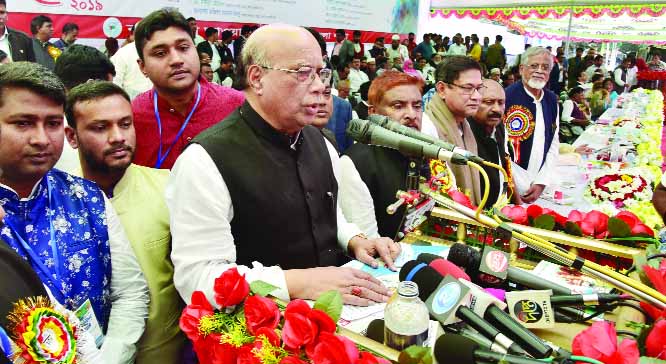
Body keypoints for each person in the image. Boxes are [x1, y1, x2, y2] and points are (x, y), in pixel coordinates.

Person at [166, 24, 398, 309]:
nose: (320, 86)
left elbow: (324, 213)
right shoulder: (205, 160)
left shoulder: (319, 141)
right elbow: (198, 279)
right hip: (260, 334)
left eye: (321, 73)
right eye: (302, 73)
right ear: (257, 77)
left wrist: (354, 240)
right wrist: (296, 283)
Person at [0, 61, 149, 364]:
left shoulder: (87, 197)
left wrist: (109, 359)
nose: (41, 138)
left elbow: (130, 294)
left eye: (52, 123)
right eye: (23, 123)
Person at [64, 80, 186, 364]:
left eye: (125, 124)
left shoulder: (168, 188)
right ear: (72, 136)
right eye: (100, 127)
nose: (118, 136)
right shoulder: (57, 201)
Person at [340, 71, 449, 239]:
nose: (412, 115)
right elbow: (368, 244)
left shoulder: (429, 153)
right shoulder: (356, 163)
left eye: (417, 106)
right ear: (373, 113)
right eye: (398, 106)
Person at [131, 9, 245, 169]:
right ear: (143, 67)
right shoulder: (131, 117)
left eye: (184, 48)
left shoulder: (238, 106)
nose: (176, 60)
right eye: (160, 53)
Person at [423, 55, 483, 204]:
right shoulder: (427, 128)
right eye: (468, 88)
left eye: (479, 88)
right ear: (442, 89)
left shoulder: (465, 125)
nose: (476, 96)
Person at [504, 46, 559, 203]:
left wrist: (542, 181)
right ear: (522, 69)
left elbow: (553, 143)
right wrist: (515, 185)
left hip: (539, 183)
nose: (540, 71)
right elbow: (500, 148)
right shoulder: (506, 97)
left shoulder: (552, 100)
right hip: (510, 184)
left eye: (545, 67)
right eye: (534, 66)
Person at [468, 79, 512, 206]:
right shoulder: (464, 132)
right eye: (489, 102)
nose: (496, 109)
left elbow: (506, 165)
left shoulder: (500, 127)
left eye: (501, 103)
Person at [111, 24, 153, 100]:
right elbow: (115, 83)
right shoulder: (123, 53)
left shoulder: (158, 51)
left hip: (155, 100)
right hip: (131, 101)